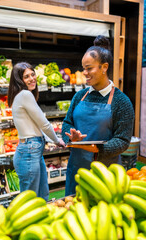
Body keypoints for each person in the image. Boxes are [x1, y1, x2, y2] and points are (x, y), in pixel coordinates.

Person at [62, 43, 135, 196]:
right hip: (77, 170)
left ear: (104, 67)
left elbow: (122, 140)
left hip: (105, 173)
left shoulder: (121, 102)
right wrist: (70, 136)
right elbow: (67, 122)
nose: (85, 73)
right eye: (84, 68)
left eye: (89, 68)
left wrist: (98, 149)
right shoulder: (79, 96)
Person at [8, 62, 65, 201]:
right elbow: (44, 124)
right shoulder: (25, 94)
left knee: (42, 196)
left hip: (32, 151)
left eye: (33, 74)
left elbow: (38, 127)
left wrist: (53, 140)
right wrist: (57, 140)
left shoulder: (22, 96)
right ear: (18, 80)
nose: (32, 78)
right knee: (31, 201)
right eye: (26, 76)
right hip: (28, 152)